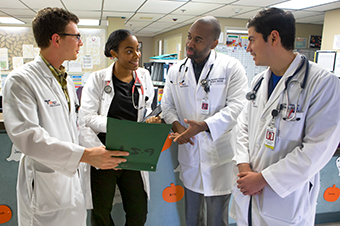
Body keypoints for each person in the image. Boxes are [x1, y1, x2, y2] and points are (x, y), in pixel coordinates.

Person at [2, 7, 128, 226]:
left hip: (69, 183)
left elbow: (74, 128)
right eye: (77, 36)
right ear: (56, 39)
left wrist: (103, 155)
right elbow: (29, 139)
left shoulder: (65, 80)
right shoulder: (21, 81)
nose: (81, 42)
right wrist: (86, 155)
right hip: (44, 186)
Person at [230, 8, 340, 226]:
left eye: (252, 40)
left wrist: (262, 179)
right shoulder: (259, 81)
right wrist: (244, 166)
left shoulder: (322, 84)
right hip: (249, 193)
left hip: (285, 201)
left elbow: (317, 149)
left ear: (273, 37)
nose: (248, 48)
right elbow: (242, 125)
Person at [161, 16, 248, 226]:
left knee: (217, 219)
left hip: (219, 156)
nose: (190, 43)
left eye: (198, 39)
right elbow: (167, 106)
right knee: (192, 218)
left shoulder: (231, 67)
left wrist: (205, 126)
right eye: (189, 37)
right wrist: (179, 127)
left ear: (214, 43)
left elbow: (238, 106)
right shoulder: (176, 70)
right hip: (190, 154)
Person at [78, 29, 154, 226]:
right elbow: (86, 117)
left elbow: (148, 109)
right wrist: (119, 127)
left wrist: (153, 120)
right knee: (101, 212)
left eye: (137, 49)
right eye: (129, 51)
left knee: (139, 210)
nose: (136, 55)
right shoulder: (97, 79)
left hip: (132, 153)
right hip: (104, 152)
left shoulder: (144, 77)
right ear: (114, 53)